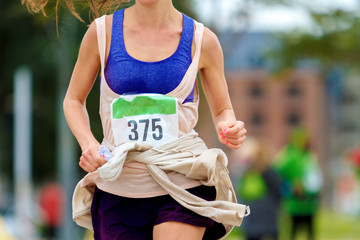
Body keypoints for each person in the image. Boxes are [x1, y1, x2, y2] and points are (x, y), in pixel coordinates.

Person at [23, 0, 248, 239]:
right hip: (120, 185)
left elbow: (223, 109)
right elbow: (73, 100)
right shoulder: (102, 33)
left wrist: (228, 126)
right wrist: (88, 143)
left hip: (182, 182)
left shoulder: (202, 39)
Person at [274, 127, 322, 240]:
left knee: (309, 231)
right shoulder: (289, 155)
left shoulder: (308, 155)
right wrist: (291, 186)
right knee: (294, 231)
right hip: (296, 201)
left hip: (309, 201)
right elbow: (278, 173)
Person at [236, 138, 281, 240]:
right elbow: (278, 189)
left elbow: (240, 191)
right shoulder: (269, 171)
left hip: (251, 212)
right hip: (268, 213)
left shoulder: (247, 171)